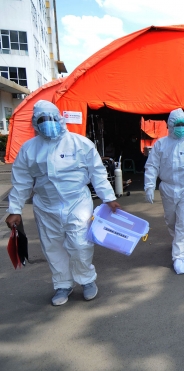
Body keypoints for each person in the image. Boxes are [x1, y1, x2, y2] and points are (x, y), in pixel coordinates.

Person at [5, 100, 121, 306]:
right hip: (45, 206)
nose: (47, 123)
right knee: (53, 246)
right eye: (42, 120)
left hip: (77, 201)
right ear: (35, 123)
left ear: (60, 119)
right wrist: (15, 209)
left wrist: (109, 198)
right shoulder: (29, 149)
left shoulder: (80, 143)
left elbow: (97, 172)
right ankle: (62, 284)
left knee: (80, 244)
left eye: (51, 118)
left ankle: (86, 280)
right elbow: (21, 180)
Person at [144, 108, 184, 275]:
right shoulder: (160, 144)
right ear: (171, 125)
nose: (181, 128)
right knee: (171, 219)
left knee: (183, 221)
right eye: (178, 124)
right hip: (167, 187)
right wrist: (149, 186)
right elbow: (152, 166)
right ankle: (178, 242)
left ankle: (180, 256)